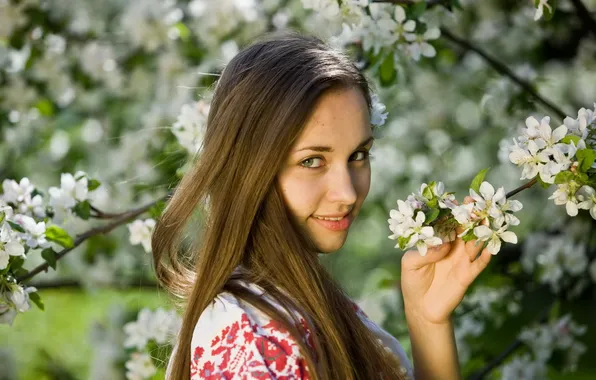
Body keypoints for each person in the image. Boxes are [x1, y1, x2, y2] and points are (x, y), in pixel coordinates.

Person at [152, 31, 492, 380]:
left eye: (358, 155)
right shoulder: (252, 338)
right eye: (312, 161)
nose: (346, 192)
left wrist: (427, 319)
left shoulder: (306, 306)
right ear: (249, 167)